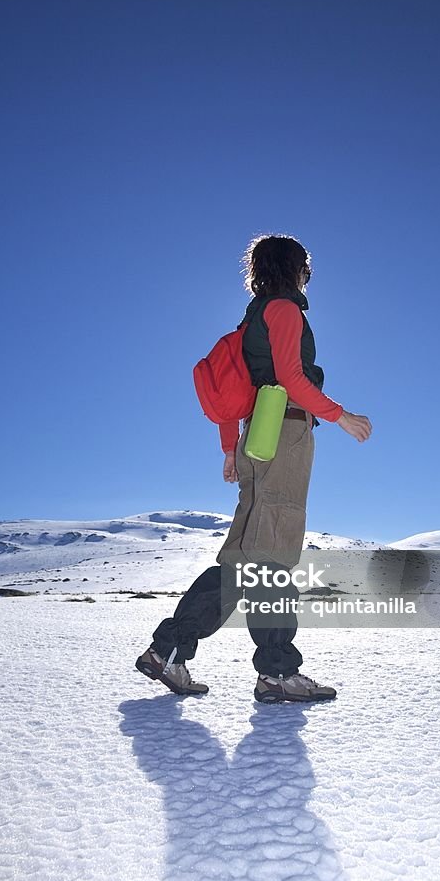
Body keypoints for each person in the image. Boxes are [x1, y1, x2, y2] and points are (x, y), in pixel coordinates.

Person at [135, 234, 372, 702]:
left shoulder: (250, 319)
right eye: (307, 267)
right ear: (295, 268)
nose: (309, 275)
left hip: (254, 439)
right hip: (284, 433)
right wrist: (340, 415)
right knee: (273, 556)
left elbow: (231, 389)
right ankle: (278, 673)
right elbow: (291, 377)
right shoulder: (283, 310)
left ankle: (168, 652)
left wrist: (230, 450)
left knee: (241, 562)